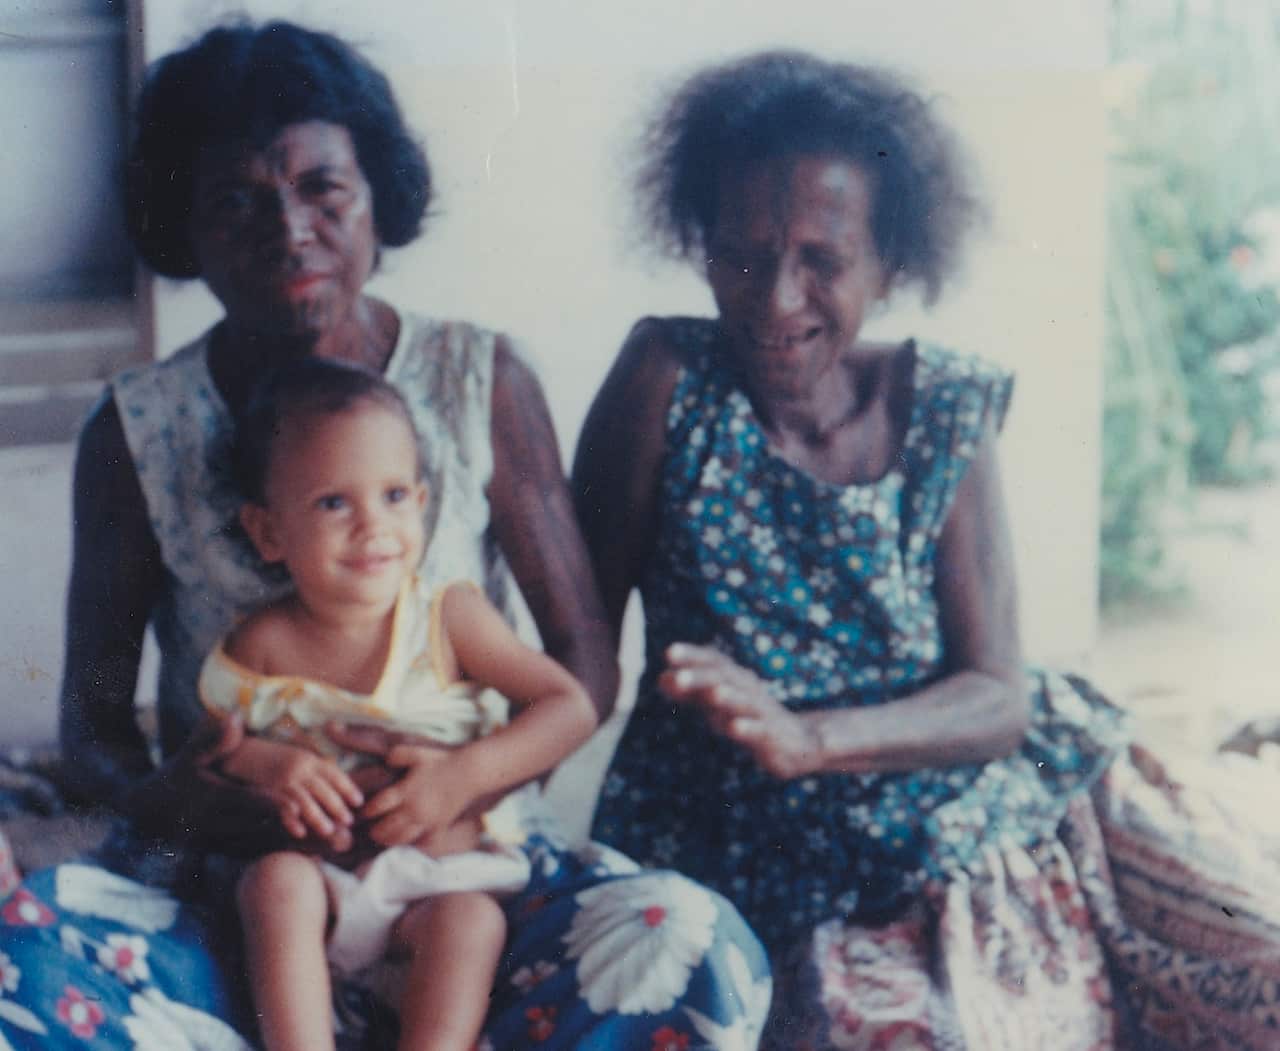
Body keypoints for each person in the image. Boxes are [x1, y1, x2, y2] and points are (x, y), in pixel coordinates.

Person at [0, 21, 767, 1051]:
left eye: (324, 189)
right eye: (237, 200)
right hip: (234, 887)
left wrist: (461, 785)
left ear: (376, 200)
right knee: (17, 962)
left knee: (694, 945)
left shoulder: (478, 380)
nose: (290, 230)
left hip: (462, 874)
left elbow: (582, 661)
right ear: (181, 224)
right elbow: (93, 723)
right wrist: (188, 800)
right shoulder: (138, 428)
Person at [574, 50, 1280, 1051]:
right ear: (700, 245)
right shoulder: (663, 380)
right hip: (759, 844)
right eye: (743, 252)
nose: (775, 298)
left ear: (891, 264)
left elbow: (995, 695)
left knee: (1256, 962)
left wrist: (811, 736)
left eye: (821, 257)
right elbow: (575, 652)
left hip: (1002, 795)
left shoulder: (944, 405)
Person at [199, 359, 597, 1051]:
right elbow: (213, 746)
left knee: (472, 924)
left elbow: (571, 706)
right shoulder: (260, 643)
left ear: (421, 499)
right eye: (333, 502)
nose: (372, 526)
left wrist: (465, 775)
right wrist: (272, 766)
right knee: (272, 884)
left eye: (392, 495)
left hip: (439, 884)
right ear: (269, 532)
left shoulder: (449, 617)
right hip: (323, 887)